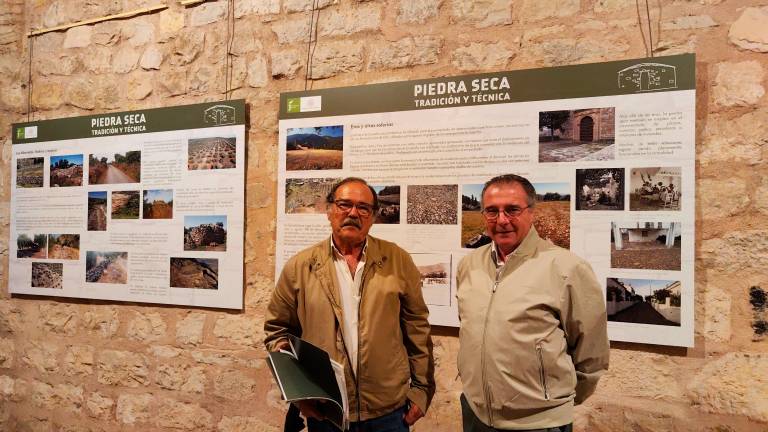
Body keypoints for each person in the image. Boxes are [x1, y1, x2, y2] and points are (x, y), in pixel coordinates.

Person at [265, 177, 435, 432]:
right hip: (327, 410)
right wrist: (299, 397)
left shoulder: (397, 260)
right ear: (330, 210)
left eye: (363, 207)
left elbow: (417, 328)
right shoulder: (300, 267)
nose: (353, 213)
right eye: (345, 205)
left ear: (373, 216)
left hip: (388, 411)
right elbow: (277, 332)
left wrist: (422, 390)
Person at [456, 174, 609, 432]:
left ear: (531, 212)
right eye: (492, 211)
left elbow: (591, 349)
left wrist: (555, 402)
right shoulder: (469, 264)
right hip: (476, 413)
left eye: (512, 210)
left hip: (539, 422)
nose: (502, 220)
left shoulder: (567, 267)